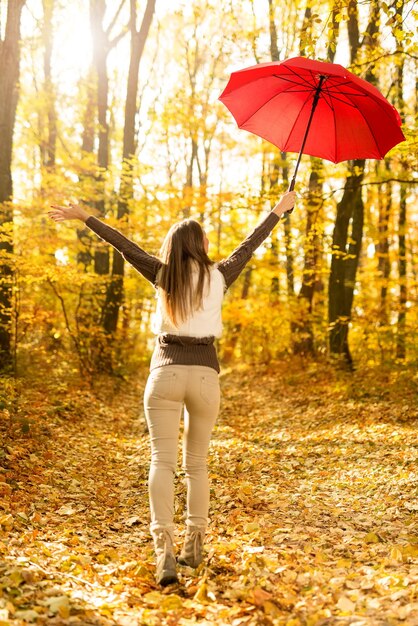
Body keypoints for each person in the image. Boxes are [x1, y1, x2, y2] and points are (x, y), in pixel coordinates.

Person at [48, 190, 296, 586]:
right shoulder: (220, 275)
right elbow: (249, 245)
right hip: (204, 378)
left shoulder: (163, 274)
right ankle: (193, 546)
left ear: (173, 247)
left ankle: (164, 551)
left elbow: (126, 248)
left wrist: (85, 217)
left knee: (161, 462)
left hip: (164, 374)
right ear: (200, 245)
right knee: (196, 465)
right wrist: (276, 212)